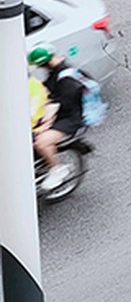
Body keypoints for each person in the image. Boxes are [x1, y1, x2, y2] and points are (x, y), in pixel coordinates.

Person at [28, 45, 83, 192]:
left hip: (69, 119)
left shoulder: (67, 79)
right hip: (58, 114)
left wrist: (45, 123)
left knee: (41, 142)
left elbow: (60, 104)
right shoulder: (55, 73)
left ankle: (57, 169)